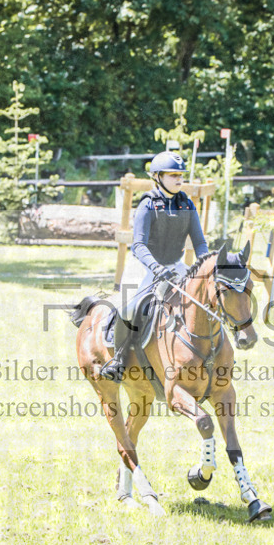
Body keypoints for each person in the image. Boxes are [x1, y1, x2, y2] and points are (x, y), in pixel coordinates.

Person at [100, 150, 210, 381]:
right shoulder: (148, 205)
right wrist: (157, 268)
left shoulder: (187, 204)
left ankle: (211, 353)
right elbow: (138, 245)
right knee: (129, 307)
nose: (179, 179)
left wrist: (206, 265)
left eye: (180, 174)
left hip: (175, 266)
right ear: (158, 177)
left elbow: (199, 242)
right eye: (172, 175)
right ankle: (118, 359)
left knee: (204, 299)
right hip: (145, 267)